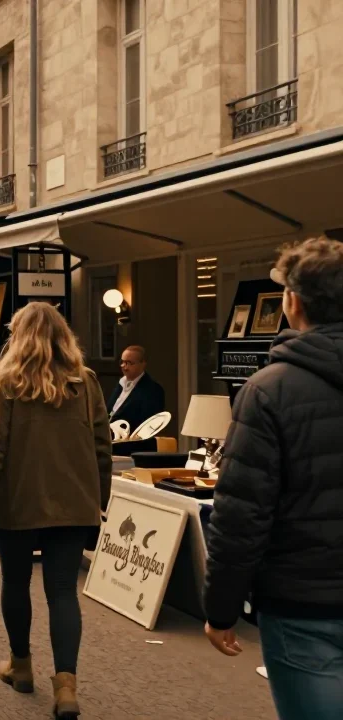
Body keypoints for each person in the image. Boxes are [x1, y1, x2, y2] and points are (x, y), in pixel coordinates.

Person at [203, 237, 343, 719]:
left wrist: (220, 609)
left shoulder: (267, 391)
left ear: (293, 303)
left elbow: (240, 516)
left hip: (304, 602)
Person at [0, 302, 112, 720]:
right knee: (63, 591)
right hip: (74, 502)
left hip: (18, 500)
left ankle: (21, 665)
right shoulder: (86, 383)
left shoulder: (7, 383)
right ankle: (66, 687)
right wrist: (99, 499)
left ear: (19, 336)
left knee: (15, 582)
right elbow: (103, 446)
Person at [107, 345, 165, 432]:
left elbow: (148, 425)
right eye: (122, 362)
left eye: (129, 363)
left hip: (132, 443)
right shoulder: (120, 384)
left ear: (143, 364)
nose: (123, 366)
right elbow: (111, 412)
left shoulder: (153, 390)